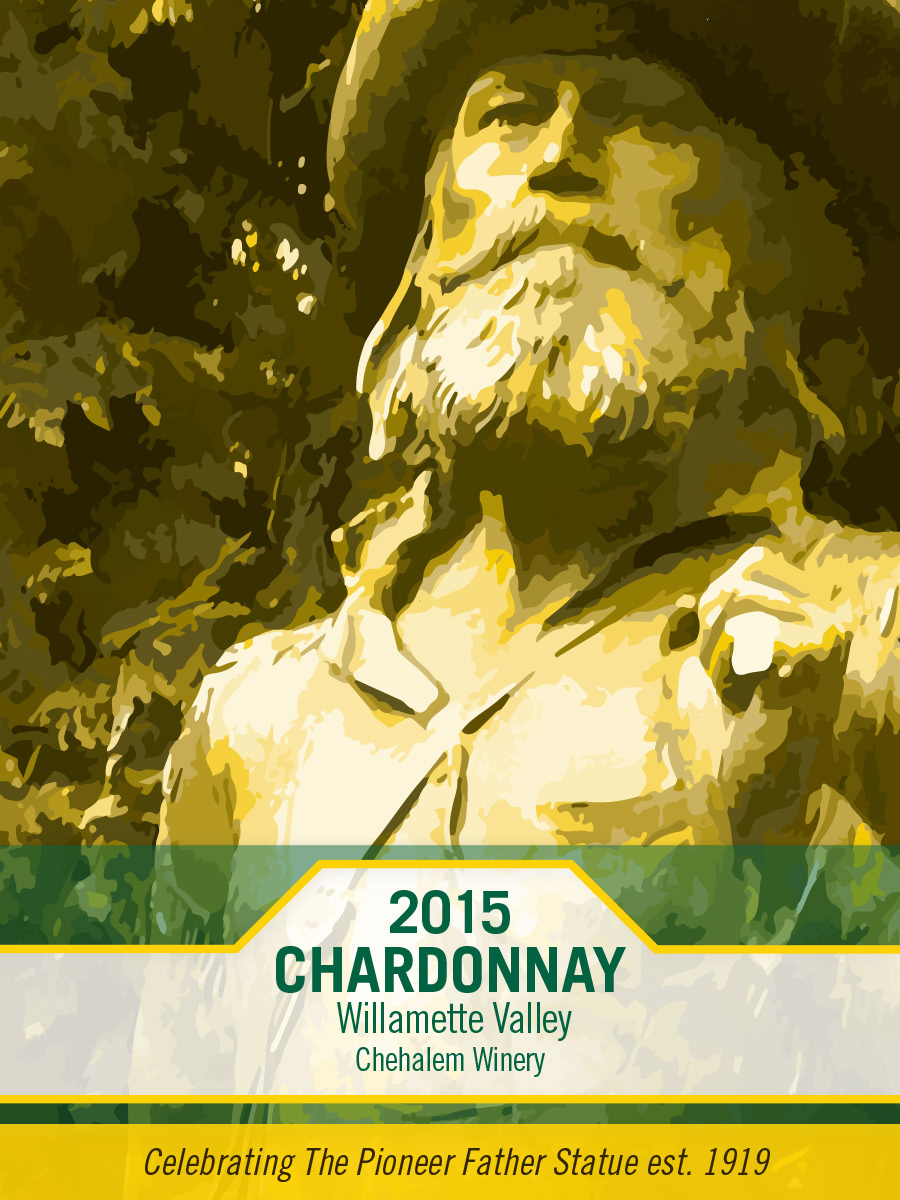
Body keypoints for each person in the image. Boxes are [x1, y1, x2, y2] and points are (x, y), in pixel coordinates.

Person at [159, 0, 900, 857]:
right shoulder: (250, 726)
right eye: (507, 116)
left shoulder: (867, 639)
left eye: (639, 118)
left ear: (778, 251)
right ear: (425, 257)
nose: (556, 158)